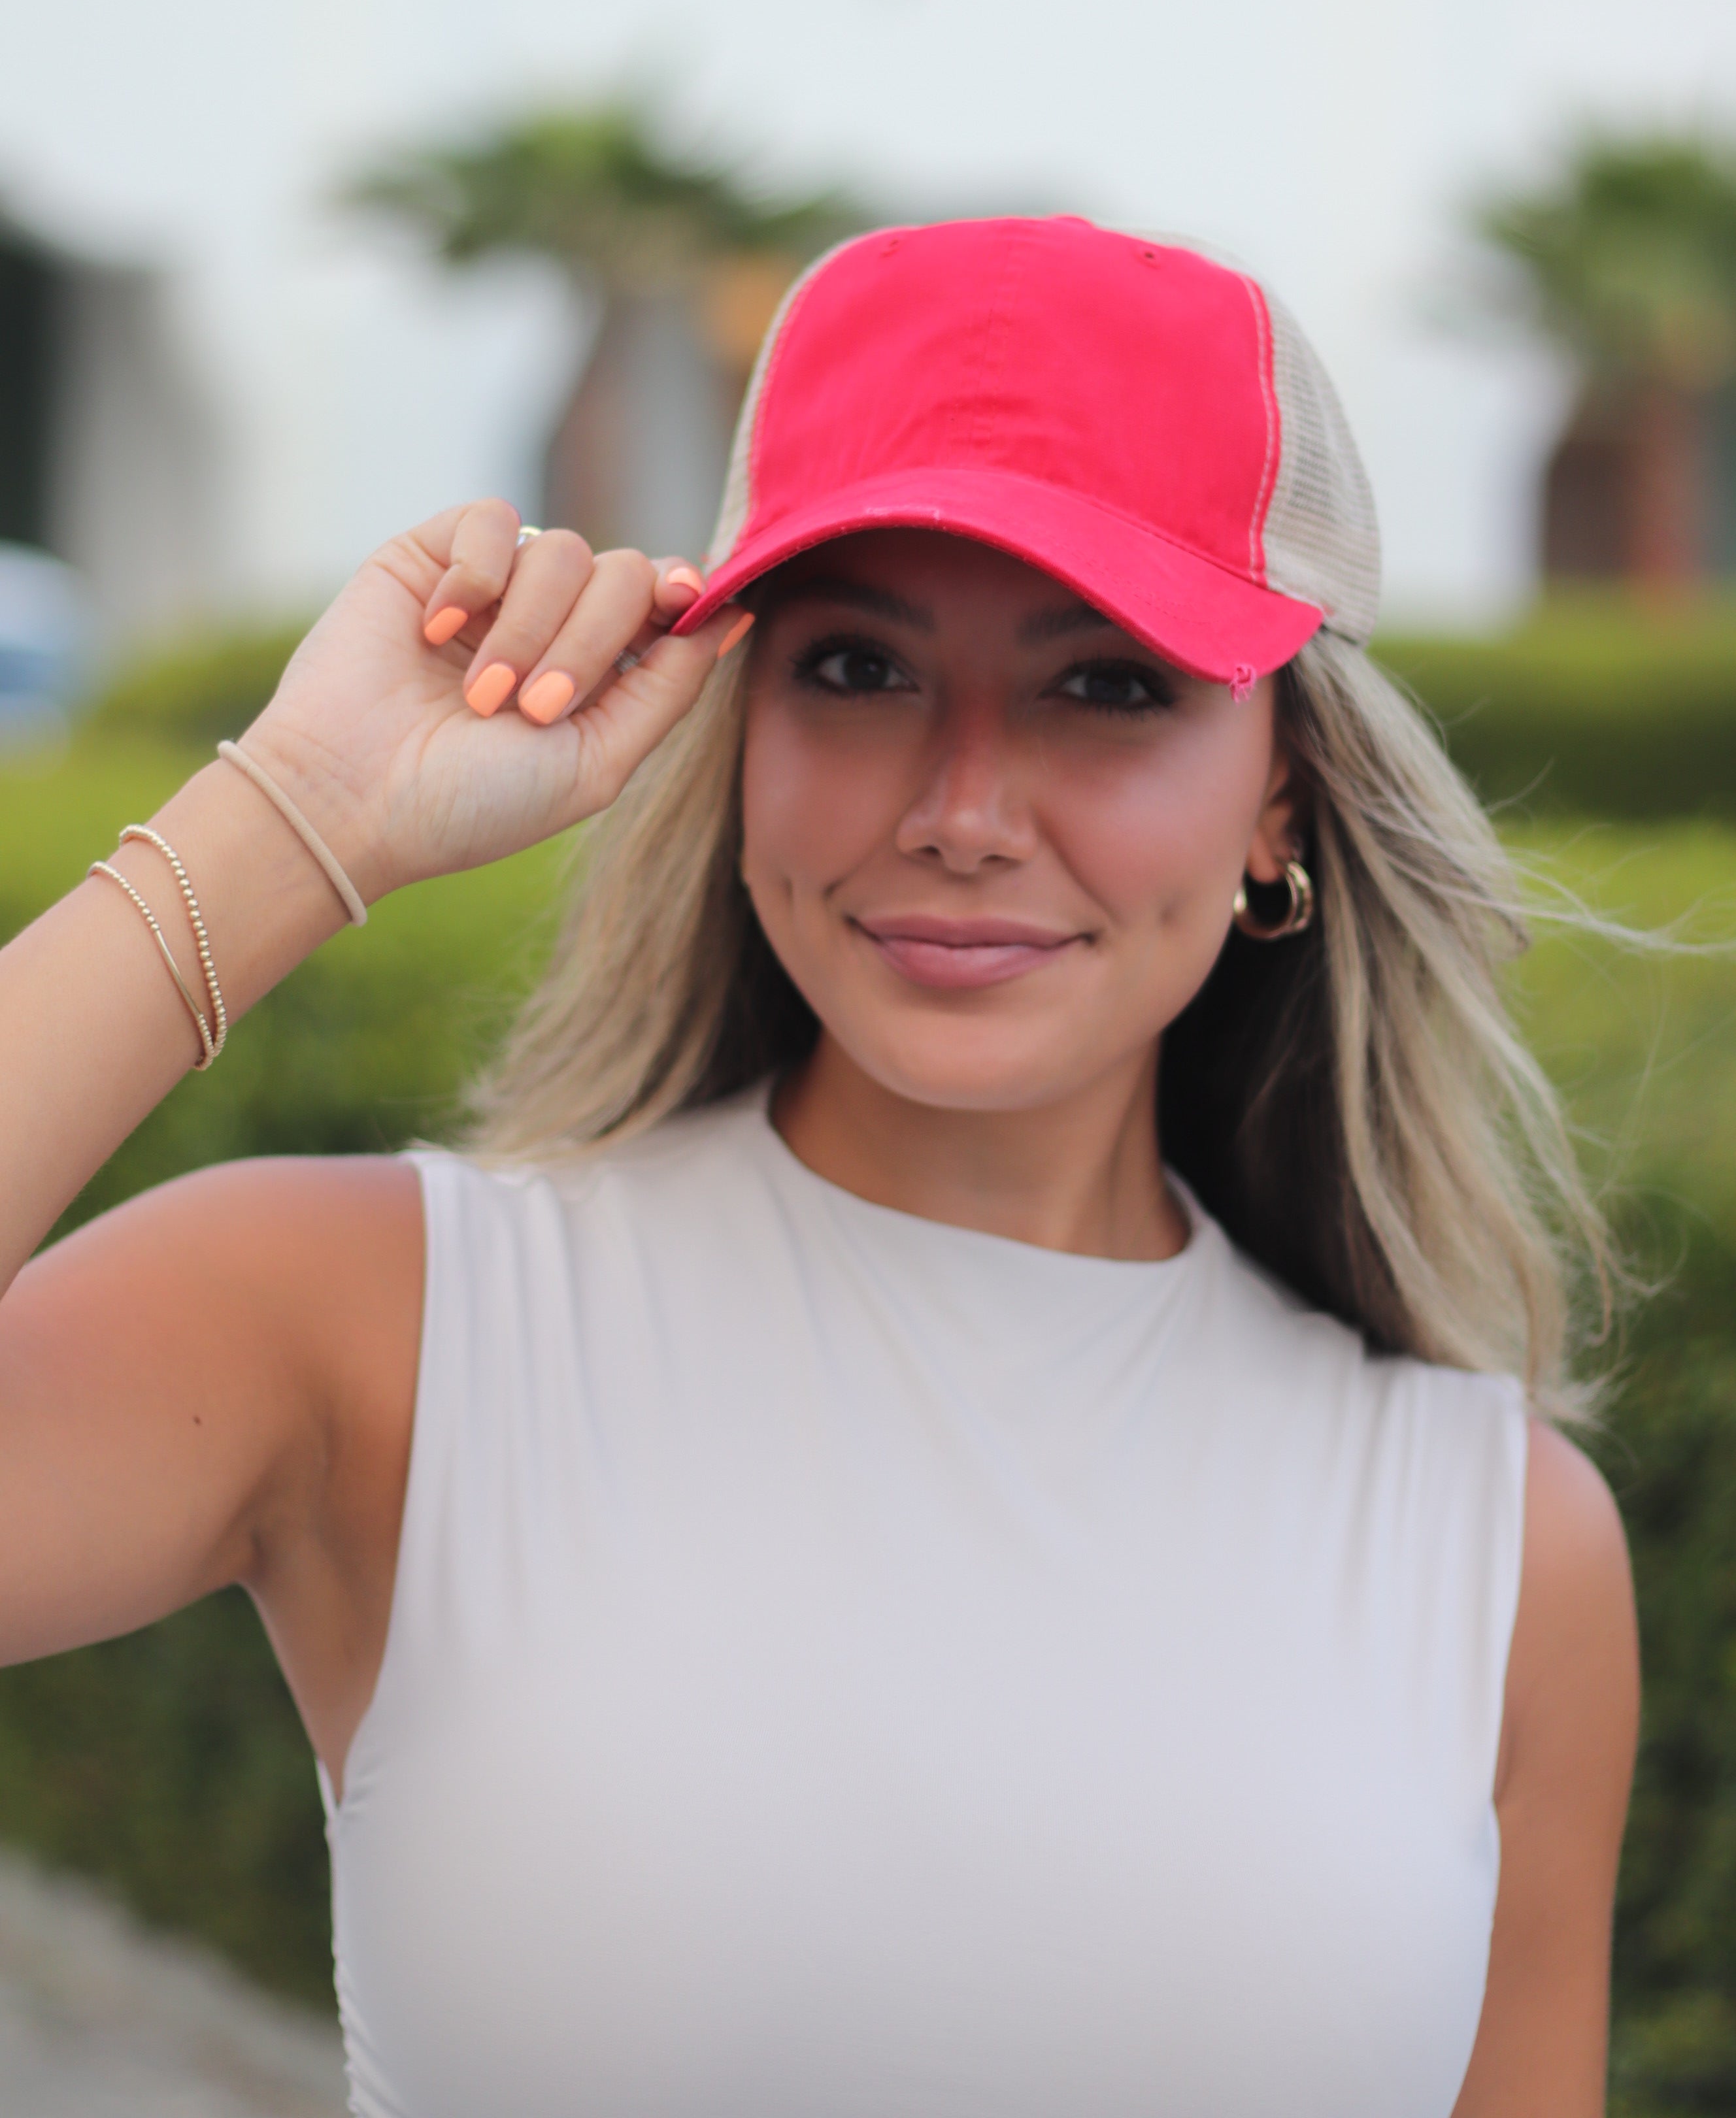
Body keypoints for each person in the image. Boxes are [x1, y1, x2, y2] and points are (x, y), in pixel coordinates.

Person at [0, 216, 1637, 2118]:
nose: (957, 811)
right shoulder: (378, 1329)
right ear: (738, 721)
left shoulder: (1496, 1546)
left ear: (1281, 781)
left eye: (1103, 686)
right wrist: (301, 816)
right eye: (855, 666)